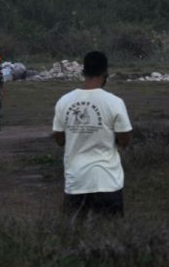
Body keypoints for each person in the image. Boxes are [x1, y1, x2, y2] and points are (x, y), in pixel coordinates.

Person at [52, 51, 133, 219]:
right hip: (107, 181)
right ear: (105, 73)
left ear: (83, 72)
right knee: (111, 234)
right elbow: (124, 140)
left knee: (74, 235)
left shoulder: (64, 101)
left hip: (76, 181)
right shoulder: (114, 102)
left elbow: (59, 139)